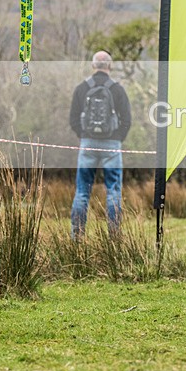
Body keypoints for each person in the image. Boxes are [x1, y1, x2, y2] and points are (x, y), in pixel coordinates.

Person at [69, 51, 131, 238]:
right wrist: (117, 138)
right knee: (113, 191)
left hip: (88, 144)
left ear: (93, 66)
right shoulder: (118, 89)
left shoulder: (81, 88)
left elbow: (73, 119)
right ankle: (114, 236)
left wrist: (84, 135)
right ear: (109, 66)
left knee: (82, 192)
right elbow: (127, 120)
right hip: (111, 144)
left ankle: (76, 237)